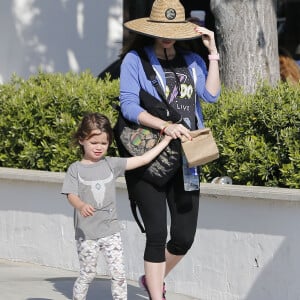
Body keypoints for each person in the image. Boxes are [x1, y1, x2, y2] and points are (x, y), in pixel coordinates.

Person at [118, 0, 221, 299]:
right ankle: (156, 293)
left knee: (183, 238)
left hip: (188, 158)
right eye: (162, 29)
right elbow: (128, 106)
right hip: (150, 156)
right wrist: (164, 126)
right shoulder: (135, 60)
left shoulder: (193, 60)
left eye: (173, 30)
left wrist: (212, 52)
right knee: (156, 234)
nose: (167, 35)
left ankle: (151, 279)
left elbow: (211, 96)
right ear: (151, 29)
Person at [61, 112, 172, 300]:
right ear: (81, 140)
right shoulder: (75, 169)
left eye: (103, 143)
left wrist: (166, 141)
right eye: (93, 143)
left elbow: (143, 160)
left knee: (119, 275)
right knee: (87, 274)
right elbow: (70, 194)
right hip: (87, 235)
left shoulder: (111, 164)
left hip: (111, 232)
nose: (99, 147)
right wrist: (80, 205)